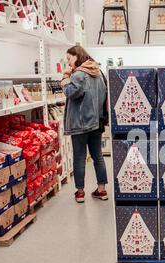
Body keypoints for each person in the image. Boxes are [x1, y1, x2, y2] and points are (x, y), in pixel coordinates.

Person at [61, 45, 108, 203]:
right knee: (98, 156)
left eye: (69, 59)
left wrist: (66, 76)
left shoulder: (79, 74)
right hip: (96, 122)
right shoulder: (99, 72)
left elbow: (70, 92)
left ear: (76, 56)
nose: (68, 62)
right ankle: (101, 190)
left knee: (79, 157)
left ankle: (80, 192)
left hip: (80, 124)